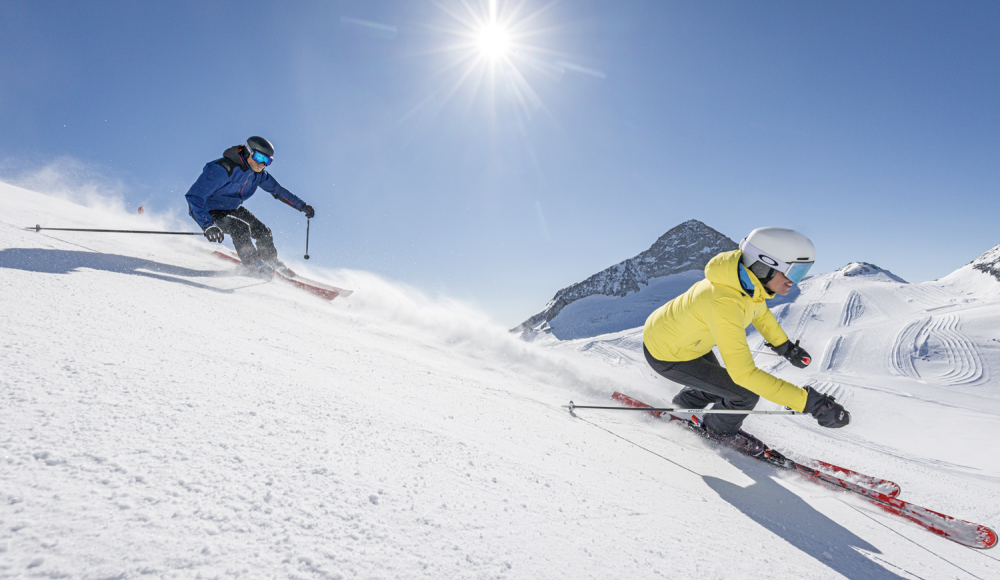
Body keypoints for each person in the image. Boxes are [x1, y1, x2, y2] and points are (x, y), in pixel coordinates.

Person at [642, 226, 850, 457]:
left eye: (801, 272)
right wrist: (811, 403)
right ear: (765, 264)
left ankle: (681, 407)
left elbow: (760, 314)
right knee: (743, 394)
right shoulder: (725, 302)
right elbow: (744, 374)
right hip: (668, 354)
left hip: (686, 341)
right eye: (794, 272)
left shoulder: (745, 283)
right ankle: (718, 431)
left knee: (719, 386)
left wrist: (785, 347)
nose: (795, 281)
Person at [185, 136, 315, 276]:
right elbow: (194, 196)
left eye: (267, 161)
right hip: (208, 210)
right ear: (248, 151)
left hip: (232, 208)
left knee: (262, 231)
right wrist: (207, 225)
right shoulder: (222, 169)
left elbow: (278, 191)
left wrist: (302, 206)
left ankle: (270, 259)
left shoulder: (258, 175)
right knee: (240, 228)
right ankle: (252, 264)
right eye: (259, 157)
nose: (262, 164)